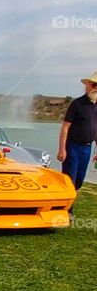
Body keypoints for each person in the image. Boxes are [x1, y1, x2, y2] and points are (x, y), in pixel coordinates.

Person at [57, 71, 97, 208]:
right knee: (69, 178)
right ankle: (67, 209)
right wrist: (62, 149)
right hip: (73, 146)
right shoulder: (77, 104)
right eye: (94, 84)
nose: (95, 88)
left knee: (79, 180)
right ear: (88, 86)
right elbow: (65, 127)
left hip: (87, 148)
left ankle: (67, 204)